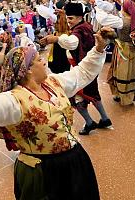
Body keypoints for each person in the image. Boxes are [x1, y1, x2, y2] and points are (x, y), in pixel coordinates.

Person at [0, 27, 111, 199]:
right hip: (42, 171)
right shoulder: (14, 100)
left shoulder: (53, 82)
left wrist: (99, 48)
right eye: (37, 59)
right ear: (27, 69)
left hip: (75, 160)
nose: (43, 60)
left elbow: (82, 73)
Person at [41, 2, 112, 134]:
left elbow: (73, 43)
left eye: (71, 18)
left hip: (81, 68)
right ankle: (105, 118)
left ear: (79, 17)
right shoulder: (86, 25)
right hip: (89, 67)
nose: (68, 22)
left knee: (76, 97)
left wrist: (56, 39)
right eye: (67, 18)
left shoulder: (79, 30)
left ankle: (90, 122)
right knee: (93, 93)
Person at [96, 0, 135, 105]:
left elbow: (103, 19)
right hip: (134, 49)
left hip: (123, 50)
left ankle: (120, 95)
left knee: (122, 72)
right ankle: (130, 96)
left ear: (124, 10)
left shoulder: (122, 22)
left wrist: (97, 7)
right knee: (132, 72)